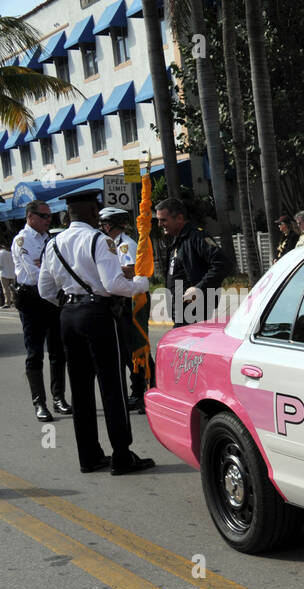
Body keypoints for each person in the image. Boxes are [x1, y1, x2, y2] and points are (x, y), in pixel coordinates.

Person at [37, 190, 154, 475]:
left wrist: (71, 302)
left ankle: (89, 457)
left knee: (80, 390)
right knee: (111, 385)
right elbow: (113, 284)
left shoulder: (53, 243)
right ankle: (122, 456)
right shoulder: (99, 240)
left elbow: (45, 290)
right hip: (97, 316)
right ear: (91, 211)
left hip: (68, 316)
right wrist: (141, 284)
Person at [13, 200, 71, 422]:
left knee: (58, 350)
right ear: (31, 217)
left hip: (51, 299)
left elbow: (56, 267)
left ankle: (58, 398)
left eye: (50, 216)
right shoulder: (22, 240)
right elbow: (36, 273)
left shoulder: (49, 239)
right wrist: (47, 270)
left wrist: (46, 268)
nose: (49, 220)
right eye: (44, 216)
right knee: (35, 352)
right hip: (31, 299)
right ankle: (39, 402)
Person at [100, 206, 150, 412]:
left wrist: (109, 270)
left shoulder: (124, 245)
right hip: (124, 299)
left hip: (133, 301)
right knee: (128, 350)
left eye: (103, 224)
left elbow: (130, 271)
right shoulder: (111, 244)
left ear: (110, 225)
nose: (101, 228)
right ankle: (139, 390)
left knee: (136, 347)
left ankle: (143, 392)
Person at [155, 197, 232, 326]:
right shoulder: (178, 240)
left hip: (195, 311)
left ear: (179, 218)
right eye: (158, 220)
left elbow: (223, 263)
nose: (160, 224)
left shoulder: (197, 237)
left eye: (163, 220)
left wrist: (199, 288)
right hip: (181, 313)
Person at [0, 237, 15, 308]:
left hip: (4, 273)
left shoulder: (1, 253)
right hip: (12, 273)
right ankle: (14, 301)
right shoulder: (10, 253)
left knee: (6, 289)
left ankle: (7, 302)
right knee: (12, 289)